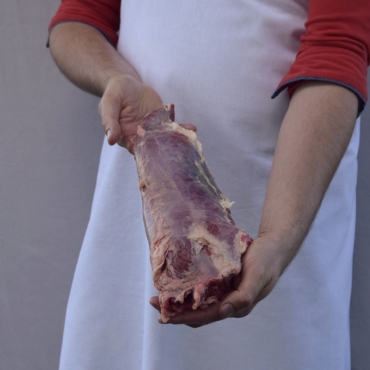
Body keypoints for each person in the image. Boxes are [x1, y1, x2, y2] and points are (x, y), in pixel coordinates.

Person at [48, 0, 370, 369]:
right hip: (133, 224)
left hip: (277, 221)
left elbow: (337, 51)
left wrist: (277, 238)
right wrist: (116, 78)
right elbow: (78, 19)